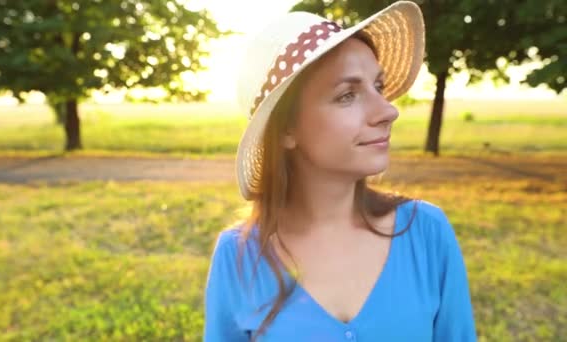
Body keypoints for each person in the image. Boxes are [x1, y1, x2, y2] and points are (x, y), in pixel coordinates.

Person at [204, 1, 477, 341]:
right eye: (347, 95)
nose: (388, 111)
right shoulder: (238, 257)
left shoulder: (426, 233)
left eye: (378, 86)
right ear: (287, 129)